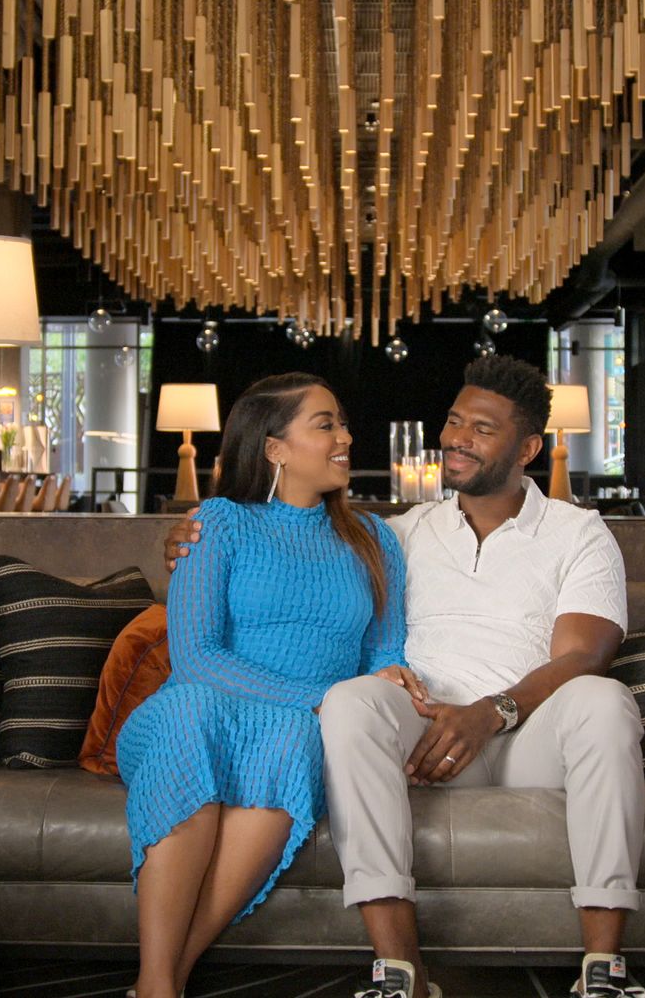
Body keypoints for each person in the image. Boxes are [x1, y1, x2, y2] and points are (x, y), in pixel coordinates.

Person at [167, 355, 645, 998]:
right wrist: (186, 542)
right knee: (350, 701)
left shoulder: (578, 533)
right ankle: (401, 973)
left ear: (529, 447)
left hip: (531, 738)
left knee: (605, 699)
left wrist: (491, 712)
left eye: (482, 428)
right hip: (424, 732)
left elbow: (583, 655)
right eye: (453, 422)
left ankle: (602, 971)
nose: (456, 439)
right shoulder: (399, 534)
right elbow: (294, 550)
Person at [119, 373, 416, 998]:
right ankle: (157, 980)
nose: (345, 436)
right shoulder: (219, 522)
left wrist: (385, 680)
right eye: (326, 423)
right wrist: (321, 698)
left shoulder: (374, 538)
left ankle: (161, 982)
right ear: (275, 448)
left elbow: (383, 649)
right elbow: (196, 659)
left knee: (289, 738)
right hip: (204, 704)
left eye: (341, 422)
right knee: (194, 716)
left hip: (295, 724)